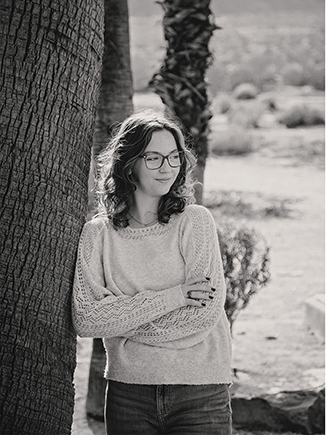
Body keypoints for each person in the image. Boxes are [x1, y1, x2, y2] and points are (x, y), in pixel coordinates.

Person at [72, 110, 232, 434]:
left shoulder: (195, 221)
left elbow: (202, 315)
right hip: (128, 394)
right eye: (154, 158)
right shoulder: (98, 235)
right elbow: (87, 319)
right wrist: (175, 296)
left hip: (200, 391)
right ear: (129, 162)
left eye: (174, 157)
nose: (167, 168)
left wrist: (121, 321)